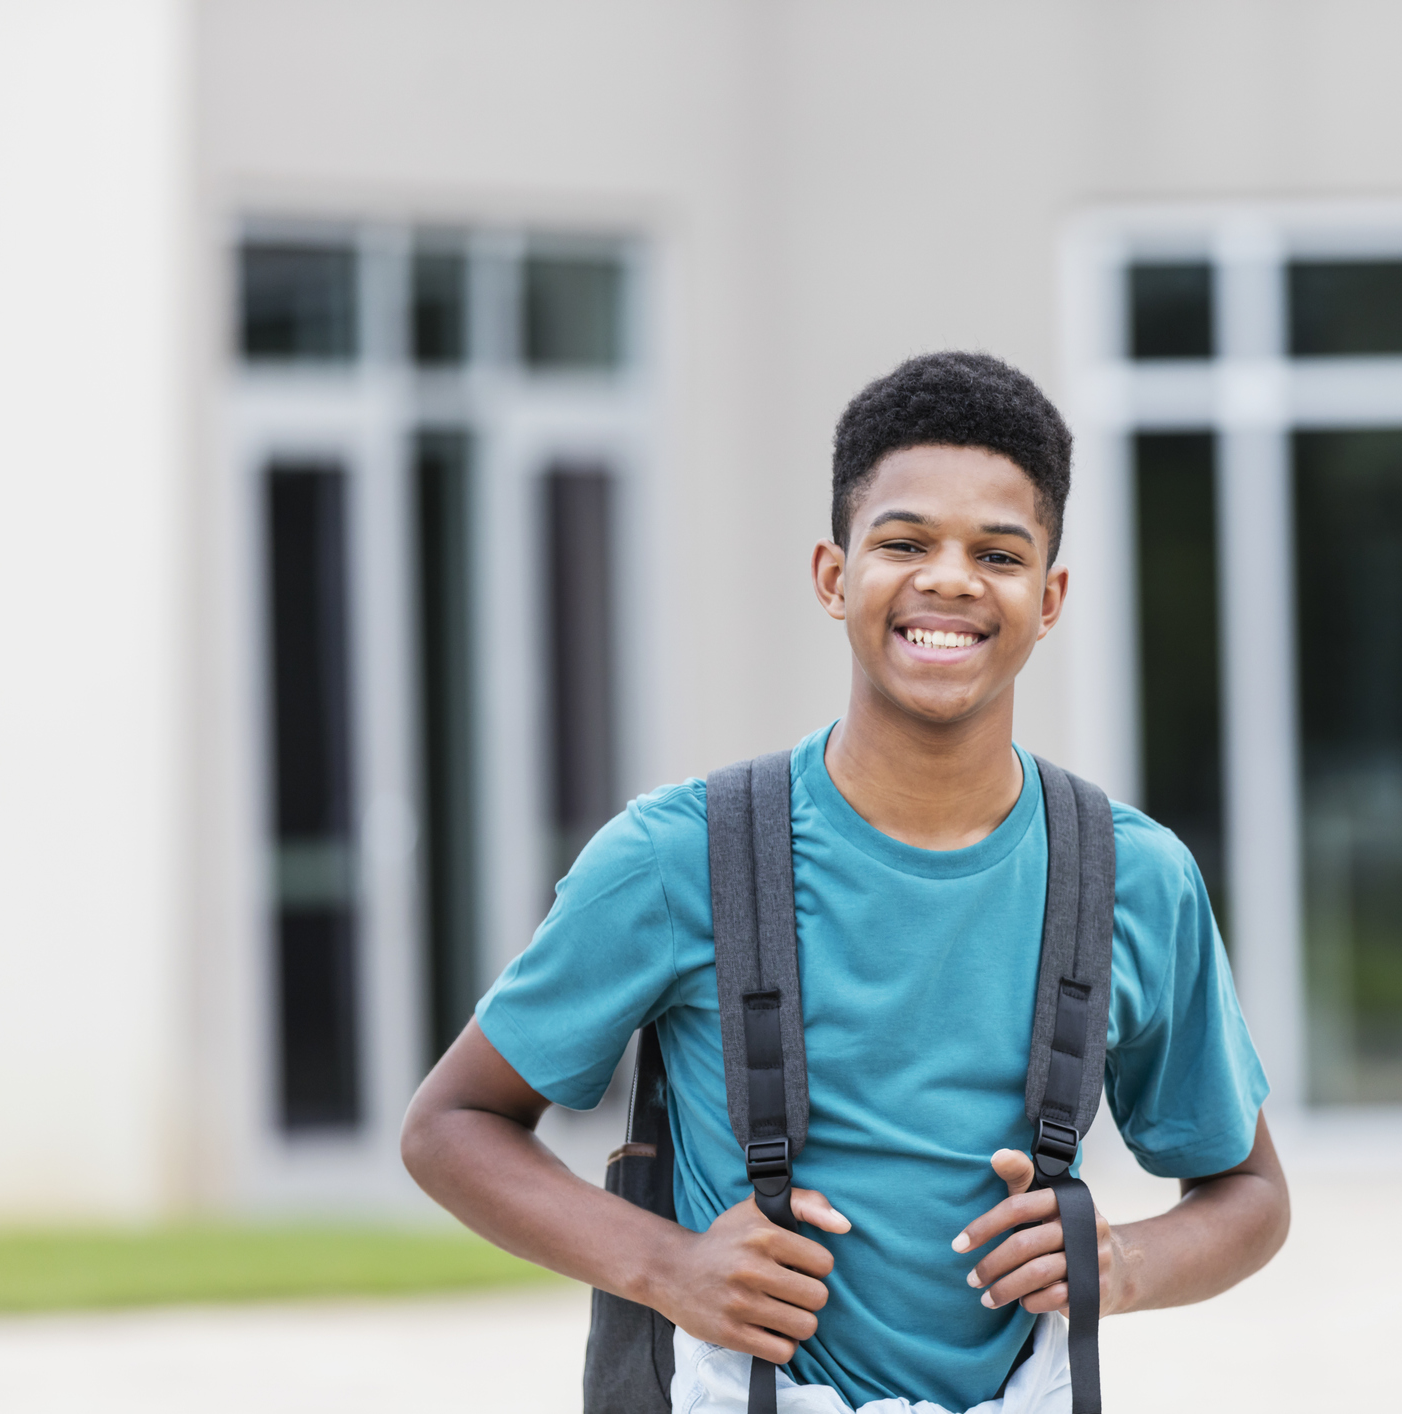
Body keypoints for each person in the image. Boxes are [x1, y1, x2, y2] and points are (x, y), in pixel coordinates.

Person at [401, 351, 1289, 1413]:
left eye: (996, 553)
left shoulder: (1133, 877)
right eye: (904, 541)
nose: (949, 579)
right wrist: (668, 1266)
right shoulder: (680, 856)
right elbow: (451, 1125)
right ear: (833, 575)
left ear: (1049, 598)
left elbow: (1250, 1193)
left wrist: (1124, 1260)